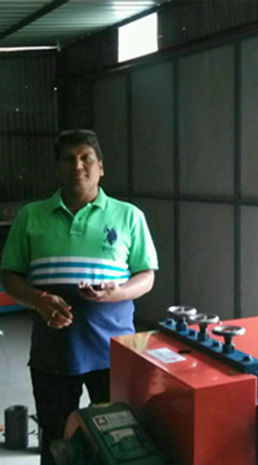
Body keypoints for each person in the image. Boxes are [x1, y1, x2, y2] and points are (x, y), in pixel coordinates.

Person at [0, 129, 158, 465]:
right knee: (57, 442)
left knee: (119, 441)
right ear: (57, 168)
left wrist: (118, 292)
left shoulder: (129, 215)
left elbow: (146, 276)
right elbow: (9, 276)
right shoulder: (31, 216)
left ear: (101, 167)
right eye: (68, 159)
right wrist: (39, 300)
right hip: (53, 354)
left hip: (113, 352)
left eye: (86, 158)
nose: (77, 166)